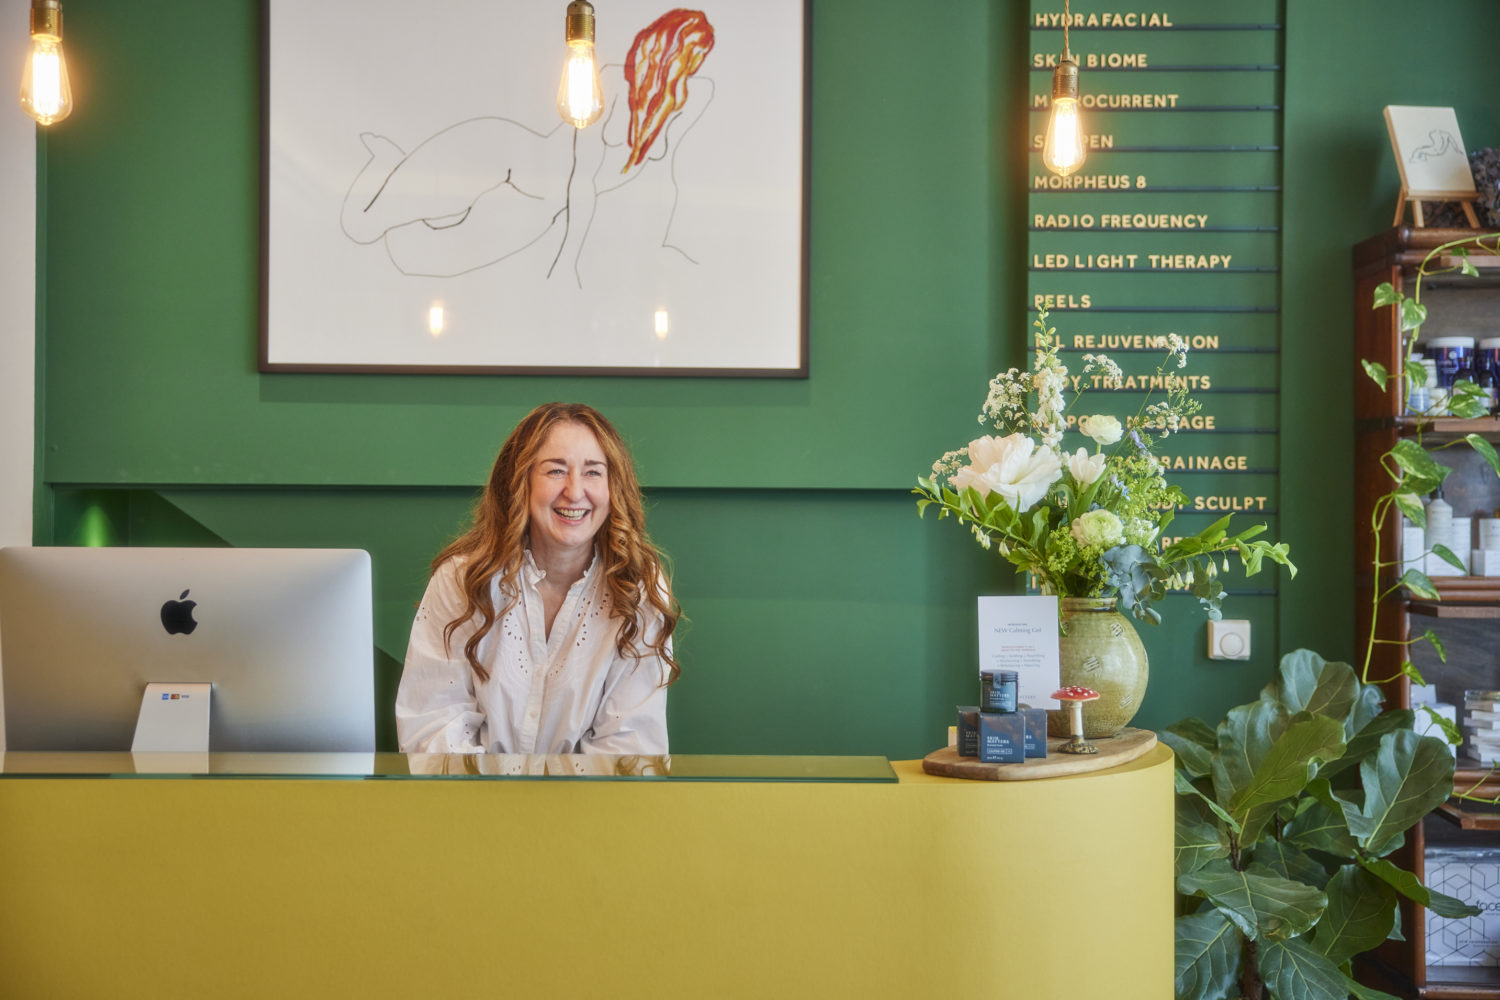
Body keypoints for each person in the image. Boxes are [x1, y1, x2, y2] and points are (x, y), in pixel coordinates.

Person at [395, 402, 680, 754]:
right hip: (471, 790)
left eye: (593, 472)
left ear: (613, 487)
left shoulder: (638, 589)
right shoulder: (460, 579)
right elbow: (432, 729)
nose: (575, 491)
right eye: (556, 471)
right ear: (520, 482)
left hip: (592, 793)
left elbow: (630, 748)